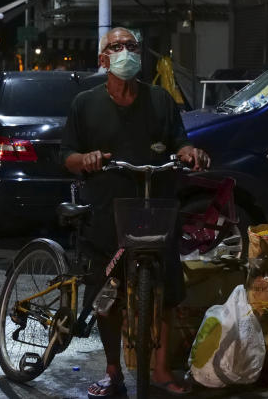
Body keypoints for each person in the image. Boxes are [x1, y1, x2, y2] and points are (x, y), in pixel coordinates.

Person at [61, 27, 210, 398]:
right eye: (116, 46)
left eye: (131, 46)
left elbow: (180, 141)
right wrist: (87, 159)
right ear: (103, 59)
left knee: (166, 292)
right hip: (107, 210)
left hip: (157, 208)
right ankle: (113, 372)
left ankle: (160, 370)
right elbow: (68, 156)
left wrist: (189, 152)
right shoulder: (85, 103)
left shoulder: (160, 99)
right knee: (107, 298)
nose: (124, 51)